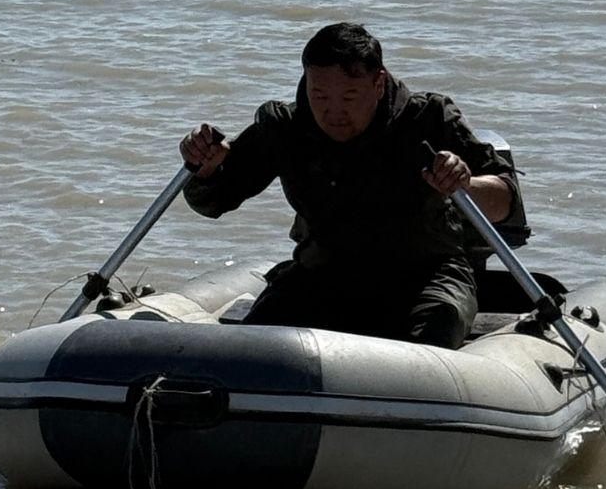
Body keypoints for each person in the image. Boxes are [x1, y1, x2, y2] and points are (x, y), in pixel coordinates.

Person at [179, 22, 520, 349]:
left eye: (349, 96)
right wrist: (206, 170)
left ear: (378, 84)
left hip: (426, 276)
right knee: (258, 351)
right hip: (322, 274)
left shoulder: (428, 119)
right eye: (320, 96)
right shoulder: (285, 127)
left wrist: (464, 183)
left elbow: (507, 200)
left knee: (435, 333)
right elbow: (214, 202)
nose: (333, 112)